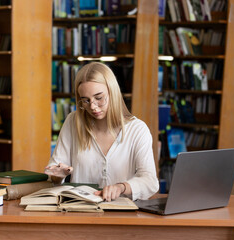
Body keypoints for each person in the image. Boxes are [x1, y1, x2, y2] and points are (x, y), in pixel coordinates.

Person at [45, 62, 159, 201]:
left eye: (99, 98)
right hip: (79, 211)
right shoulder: (72, 122)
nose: (93, 106)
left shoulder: (137, 130)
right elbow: (54, 175)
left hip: (122, 213)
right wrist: (58, 175)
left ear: (113, 92)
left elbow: (150, 182)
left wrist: (121, 187)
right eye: (85, 101)